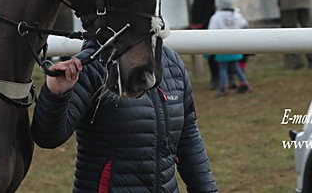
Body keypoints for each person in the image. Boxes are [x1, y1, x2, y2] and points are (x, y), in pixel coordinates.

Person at [30, 44, 217, 192]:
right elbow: (48, 137)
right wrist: (56, 94)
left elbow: (189, 139)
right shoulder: (91, 65)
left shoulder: (171, 62)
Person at [207, 0, 251, 96]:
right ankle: (244, 83)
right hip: (235, 46)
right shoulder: (236, 15)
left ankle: (223, 87)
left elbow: (211, 31)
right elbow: (244, 25)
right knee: (235, 66)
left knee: (222, 67)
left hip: (222, 47)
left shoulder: (216, 17)